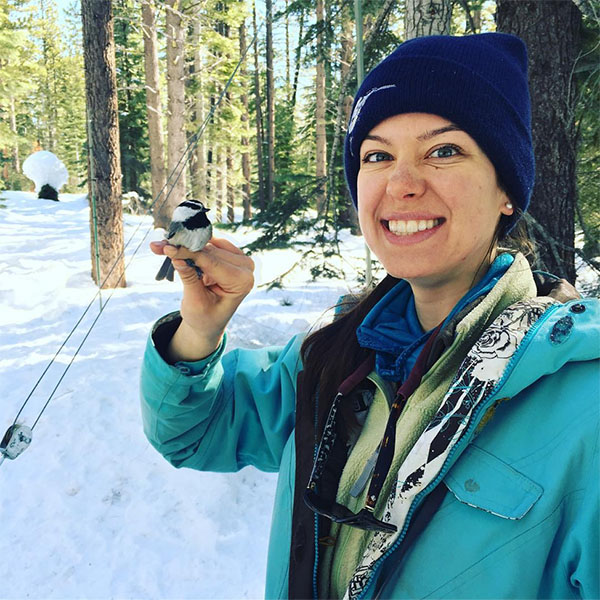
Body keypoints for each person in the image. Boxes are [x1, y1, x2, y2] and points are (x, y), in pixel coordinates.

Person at [140, 33, 599, 600]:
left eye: (444, 151)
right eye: (377, 155)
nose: (401, 184)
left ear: (507, 188)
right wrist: (201, 329)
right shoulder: (334, 354)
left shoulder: (584, 399)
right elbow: (192, 434)